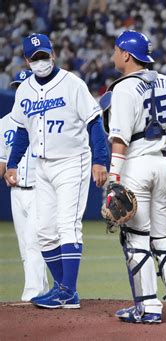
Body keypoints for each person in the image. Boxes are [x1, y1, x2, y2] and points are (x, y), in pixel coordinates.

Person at [4, 33, 109, 309]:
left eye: (44, 55)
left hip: (73, 161)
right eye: (35, 58)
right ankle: (63, 288)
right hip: (42, 164)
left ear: (53, 54)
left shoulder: (72, 83)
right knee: (44, 231)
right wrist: (13, 163)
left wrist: (100, 160)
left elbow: (94, 123)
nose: (41, 61)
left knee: (67, 225)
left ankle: (68, 292)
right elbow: (22, 132)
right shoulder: (24, 91)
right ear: (27, 60)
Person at [104, 30, 166, 323]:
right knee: (165, 237)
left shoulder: (123, 88)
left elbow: (119, 139)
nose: (114, 55)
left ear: (127, 55)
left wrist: (113, 178)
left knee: (137, 239)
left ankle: (148, 307)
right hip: (162, 164)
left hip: (136, 165)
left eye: (117, 50)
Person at [0, 70, 49, 302]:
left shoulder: (45, 118)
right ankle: (44, 292)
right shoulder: (3, 123)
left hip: (40, 189)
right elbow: (1, 160)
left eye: (23, 85)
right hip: (16, 192)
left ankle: (31, 296)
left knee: (33, 243)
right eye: (17, 86)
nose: (20, 89)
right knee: (25, 249)